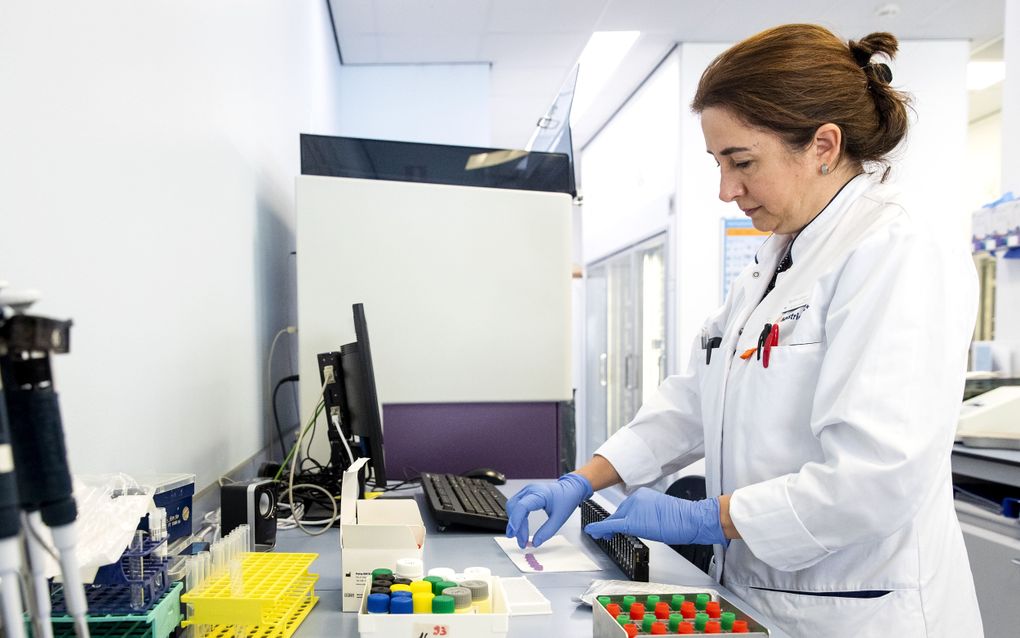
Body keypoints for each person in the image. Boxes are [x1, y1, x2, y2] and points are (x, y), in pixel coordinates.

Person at [505, 24, 983, 637]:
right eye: (718, 162)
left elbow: (875, 477)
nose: (727, 190)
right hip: (763, 596)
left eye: (742, 162)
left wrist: (711, 519)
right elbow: (695, 398)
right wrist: (586, 478)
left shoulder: (899, 248)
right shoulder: (778, 257)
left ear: (824, 145)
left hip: (859, 608)